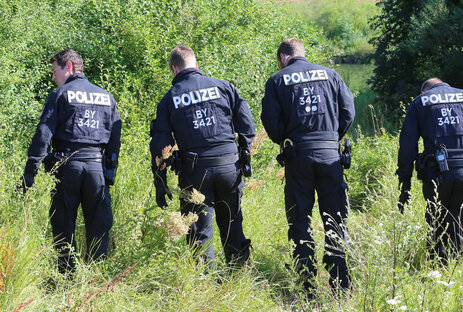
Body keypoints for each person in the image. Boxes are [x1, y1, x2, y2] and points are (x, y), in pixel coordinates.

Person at [261, 38, 355, 293]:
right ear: (302, 53)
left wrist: (286, 139)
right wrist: (332, 137)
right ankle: (341, 284)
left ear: (283, 57)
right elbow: (348, 111)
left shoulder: (278, 80)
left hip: (298, 156)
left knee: (300, 220)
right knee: (335, 218)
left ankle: (306, 286)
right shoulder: (331, 74)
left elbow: (271, 122)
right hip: (330, 154)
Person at [18, 49, 122, 274]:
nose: (53, 78)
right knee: (99, 225)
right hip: (97, 169)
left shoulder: (61, 95)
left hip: (67, 169)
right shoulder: (106, 96)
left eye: (55, 71)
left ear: (68, 67)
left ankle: (66, 277)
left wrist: (30, 172)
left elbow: (43, 134)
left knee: (64, 225)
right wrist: (110, 169)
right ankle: (94, 277)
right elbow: (115, 135)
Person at [150, 46, 255, 268]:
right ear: (196, 65)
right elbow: (247, 124)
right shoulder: (223, 87)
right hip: (229, 166)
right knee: (232, 224)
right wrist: (244, 156)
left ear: (174, 69)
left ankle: (206, 284)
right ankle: (238, 275)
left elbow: (161, 145)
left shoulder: (170, 99)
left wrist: (160, 183)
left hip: (195, 172)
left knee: (199, 232)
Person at [396, 78, 463, 263]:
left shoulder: (420, 102)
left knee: (437, 223)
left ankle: (438, 269)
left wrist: (404, 182)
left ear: (425, 91)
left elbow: (407, 146)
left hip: (436, 174)